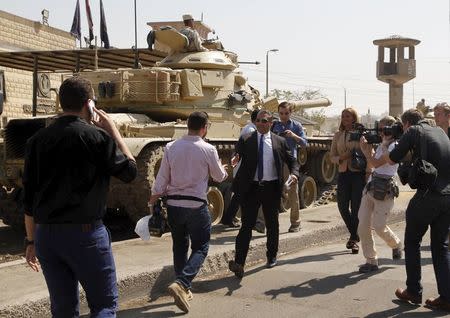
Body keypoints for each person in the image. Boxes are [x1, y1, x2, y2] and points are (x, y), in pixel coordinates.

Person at [23, 77, 137, 317]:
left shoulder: (36, 141)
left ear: (60, 102)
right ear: (89, 104)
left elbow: (29, 196)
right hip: (85, 236)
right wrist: (113, 130)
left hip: (46, 236)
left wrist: (30, 241)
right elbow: (130, 172)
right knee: (104, 305)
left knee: (63, 309)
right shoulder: (97, 137)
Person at [149, 111, 227, 313]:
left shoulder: (171, 147)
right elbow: (219, 177)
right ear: (205, 128)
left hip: (174, 205)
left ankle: (184, 287)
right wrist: (226, 168)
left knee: (180, 245)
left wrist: (154, 197)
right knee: (201, 247)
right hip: (196, 206)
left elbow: (162, 177)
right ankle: (182, 283)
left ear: (187, 125)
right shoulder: (208, 148)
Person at [385, 109, 450, 311]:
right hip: (447, 196)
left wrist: (389, 142)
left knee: (412, 242)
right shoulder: (440, 131)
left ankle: (413, 291)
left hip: (427, 196)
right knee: (440, 247)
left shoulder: (413, 131)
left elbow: (392, 158)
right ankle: (447, 297)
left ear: (406, 124)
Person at [228, 110, 299, 278]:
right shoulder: (246, 139)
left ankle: (272, 255)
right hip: (251, 189)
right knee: (246, 226)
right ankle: (239, 263)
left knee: (272, 224)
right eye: (258, 121)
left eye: (264, 121)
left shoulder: (279, 142)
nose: (260, 123)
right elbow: (237, 153)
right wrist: (235, 158)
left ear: (271, 123)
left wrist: (294, 174)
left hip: (271, 188)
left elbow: (292, 161)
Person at [357, 116, 402, 273]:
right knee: (362, 225)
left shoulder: (395, 147)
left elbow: (377, 163)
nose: (381, 132)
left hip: (385, 189)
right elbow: (372, 165)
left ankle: (396, 244)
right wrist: (369, 150)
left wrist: (366, 152)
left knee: (379, 226)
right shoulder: (382, 144)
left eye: (385, 130)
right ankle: (371, 260)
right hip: (371, 186)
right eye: (380, 129)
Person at [330, 107, 367, 254]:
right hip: (343, 173)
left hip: (358, 174)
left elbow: (368, 150)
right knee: (342, 206)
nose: (345, 119)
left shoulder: (361, 134)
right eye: (343, 116)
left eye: (348, 116)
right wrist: (341, 158)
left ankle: (353, 238)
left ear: (354, 118)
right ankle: (355, 234)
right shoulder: (338, 135)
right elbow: (331, 156)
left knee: (356, 208)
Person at [271, 101, 307, 232]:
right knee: (272, 192)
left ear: (291, 113)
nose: (283, 116)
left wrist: (293, 136)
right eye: (281, 113)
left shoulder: (296, 125)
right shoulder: (274, 125)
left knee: (293, 194)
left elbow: (304, 143)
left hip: (290, 162)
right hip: (275, 162)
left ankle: (295, 223)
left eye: (286, 113)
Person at [222, 109, 259, 228]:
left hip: (243, 168)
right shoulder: (251, 130)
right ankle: (235, 219)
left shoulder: (249, 128)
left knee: (239, 196)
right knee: (242, 196)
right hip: (245, 168)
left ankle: (229, 218)